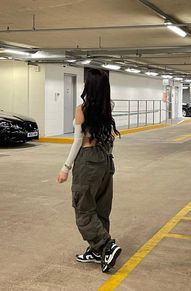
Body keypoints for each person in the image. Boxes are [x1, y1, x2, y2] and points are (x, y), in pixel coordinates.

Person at [57, 69, 121, 273]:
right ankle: (96, 252)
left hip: (88, 162)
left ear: (88, 86)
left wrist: (65, 167)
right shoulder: (108, 107)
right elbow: (109, 136)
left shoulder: (81, 108)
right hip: (105, 159)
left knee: (83, 209)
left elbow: (77, 141)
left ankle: (105, 245)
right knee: (101, 207)